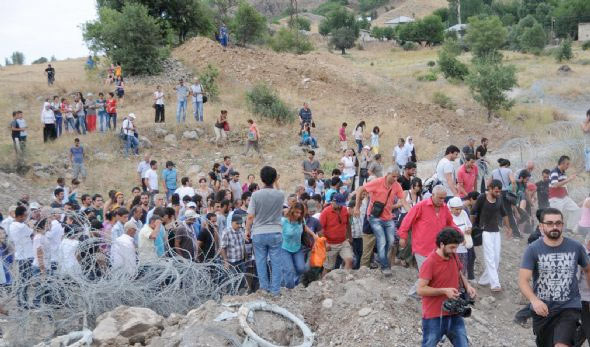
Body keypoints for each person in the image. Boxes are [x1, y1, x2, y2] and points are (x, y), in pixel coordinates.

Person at [519, 208, 590, 347]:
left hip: (569, 307)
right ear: (541, 226)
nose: (554, 227)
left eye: (558, 223)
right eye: (550, 223)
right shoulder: (533, 249)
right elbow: (523, 281)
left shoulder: (575, 247)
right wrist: (534, 300)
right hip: (543, 310)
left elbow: (588, 269)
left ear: (563, 225)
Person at [418, 227, 477, 347]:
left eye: (456, 247)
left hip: (454, 312)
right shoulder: (430, 262)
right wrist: (444, 291)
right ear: (441, 244)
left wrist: (468, 286)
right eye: (452, 247)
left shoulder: (453, 256)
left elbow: (459, 272)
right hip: (434, 316)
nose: (455, 251)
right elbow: (421, 289)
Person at [399, 185, 459, 296]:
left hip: (437, 249)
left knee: (430, 274)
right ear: (433, 195)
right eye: (440, 198)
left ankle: (415, 294)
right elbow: (407, 220)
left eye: (444, 198)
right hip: (421, 247)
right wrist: (403, 236)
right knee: (427, 275)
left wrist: (458, 232)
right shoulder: (421, 206)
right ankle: (414, 294)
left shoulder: (444, 208)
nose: (442, 201)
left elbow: (450, 223)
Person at [355, 166, 410, 275]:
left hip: (387, 217)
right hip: (373, 217)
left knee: (390, 242)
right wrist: (357, 207)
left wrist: (412, 213)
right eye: (393, 176)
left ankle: (382, 262)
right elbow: (361, 189)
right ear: (387, 174)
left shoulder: (397, 186)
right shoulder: (377, 182)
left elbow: (403, 201)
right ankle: (378, 268)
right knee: (378, 243)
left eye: (397, 177)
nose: (395, 179)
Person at [246, 166, 284, 295]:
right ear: (274, 179)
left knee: (261, 261)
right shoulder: (280, 195)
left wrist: (247, 230)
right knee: (276, 262)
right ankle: (275, 290)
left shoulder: (255, 195)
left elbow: (250, 216)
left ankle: (264, 289)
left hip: (259, 231)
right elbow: (279, 194)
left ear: (261, 179)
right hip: (275, 231)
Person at [471, 180, 510, 292]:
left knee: (496, 258)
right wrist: (472, 226)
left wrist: (508, 227)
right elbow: (473, 212)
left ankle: (483, 280)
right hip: (485, 231)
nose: (498, 193)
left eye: (499, 191)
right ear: (490, 188)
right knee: (490, 257)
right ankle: (495, 283)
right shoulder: (482, 197)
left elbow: (504, 213)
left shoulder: (499, 198)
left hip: (496, 231)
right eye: (496, 191)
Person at [281, 202, 317, 288]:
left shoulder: (301, 220)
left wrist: (313, 235)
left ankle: (293, 282)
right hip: (285, 248)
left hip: (297, 248)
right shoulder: (283, 221)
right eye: (297, 212)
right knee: (289, 270)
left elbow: (305, 227)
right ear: (292, 211)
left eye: (300, 213)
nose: (299, 215)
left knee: (301, 268)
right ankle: (289, 288)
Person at [320, 193, 354, 275]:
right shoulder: (325, 212)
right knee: (328, 267)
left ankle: (344, 281)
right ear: (333, 202)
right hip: (330, 244)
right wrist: (326, 243)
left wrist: (350, 237)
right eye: (338, 204)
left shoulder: (345, 210)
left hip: (343, 241)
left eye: (341, 204)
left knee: (349, 260)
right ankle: (323, 284)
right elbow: (320, 230)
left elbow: (347, 224)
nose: (340, 206)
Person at [549, 155, 580, 232]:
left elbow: (563, 185)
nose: (568, 166)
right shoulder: (554, 172)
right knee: (556, 217)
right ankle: (552, 232)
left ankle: (569, 228)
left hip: (564, 197)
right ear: (562, 163)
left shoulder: (563, 172)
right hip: (556, 198)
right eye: (567, 164)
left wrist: (567, 194)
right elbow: (555, 185)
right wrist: (569, 179)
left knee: (576, 210)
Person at [448, 197, 472, 275]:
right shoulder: (448, 216)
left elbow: (469, 225)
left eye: (460, 209)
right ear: (451, 208)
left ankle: (462, 286)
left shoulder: (464, 213)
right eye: (456, 209)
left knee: (462, 269)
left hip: (464, 248)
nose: (459, 211)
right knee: (452, 270)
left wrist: (469, 229)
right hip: (452, 249)